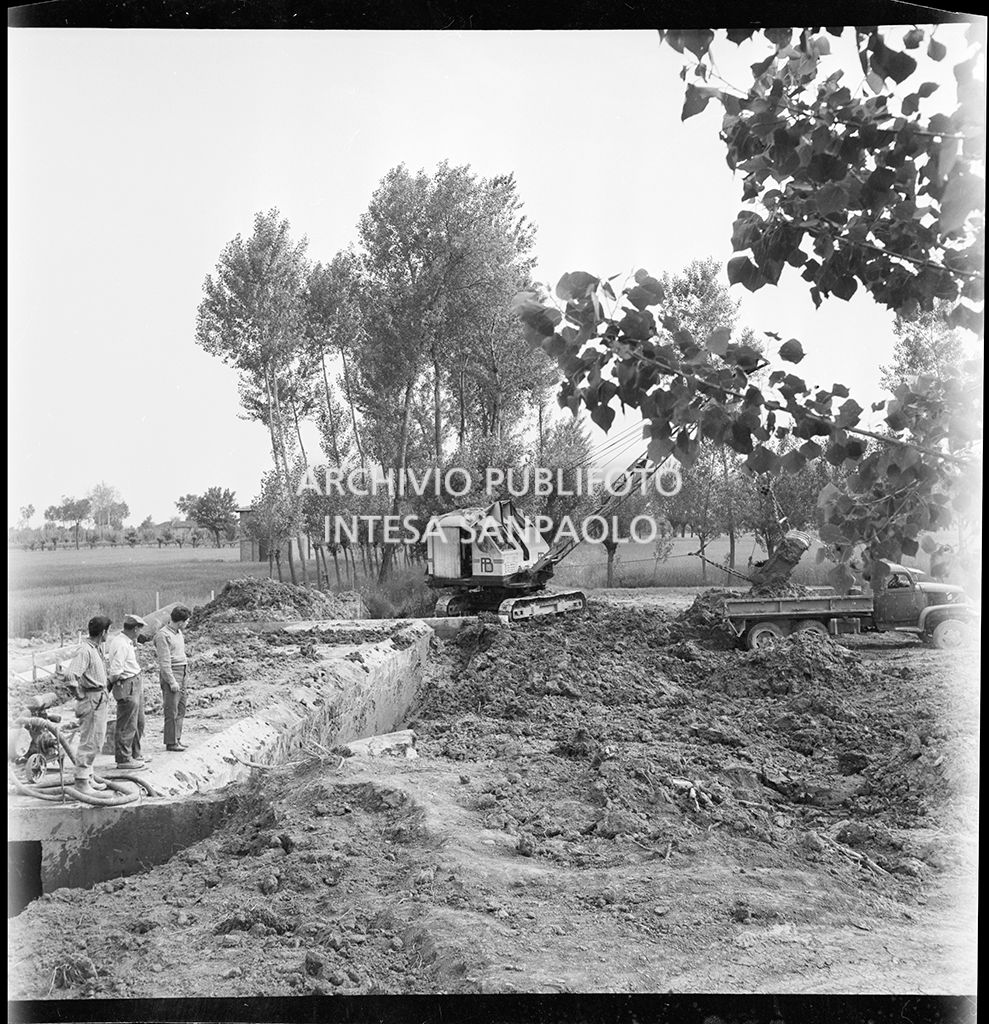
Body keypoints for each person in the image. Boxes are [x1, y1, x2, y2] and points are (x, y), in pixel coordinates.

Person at [64, 616, 113, 793]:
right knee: (90, 741)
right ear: (104, 632)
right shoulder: (85, 651)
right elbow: (70, 676)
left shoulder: (96, 648)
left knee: (96, 739)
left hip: (99, 698)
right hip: (92, 699)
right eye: (108, 630)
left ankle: (89, 777)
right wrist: (80, 695)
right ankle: (82, 781)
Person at [107, 614, 149, 770]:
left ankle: (135, 754)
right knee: (127, 724)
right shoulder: (121, 644)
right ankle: (124, 759)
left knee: (138, 722)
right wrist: (113, 683)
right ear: (136, 628)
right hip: (126, 684)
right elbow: (116, 671)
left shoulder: (127, 642)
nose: (140, 632)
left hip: (135, 681)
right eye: (140, 629)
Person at [155, 605, 191, 752]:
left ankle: (177, 738)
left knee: (181, 708)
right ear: (180, 621)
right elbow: (164, 662)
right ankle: (171, 742)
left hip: (183, 671)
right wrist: (172, 681)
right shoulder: (163, 635)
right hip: (173, 672)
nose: (188, 623)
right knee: (171, 709)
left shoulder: (178, 633)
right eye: (187, 621)